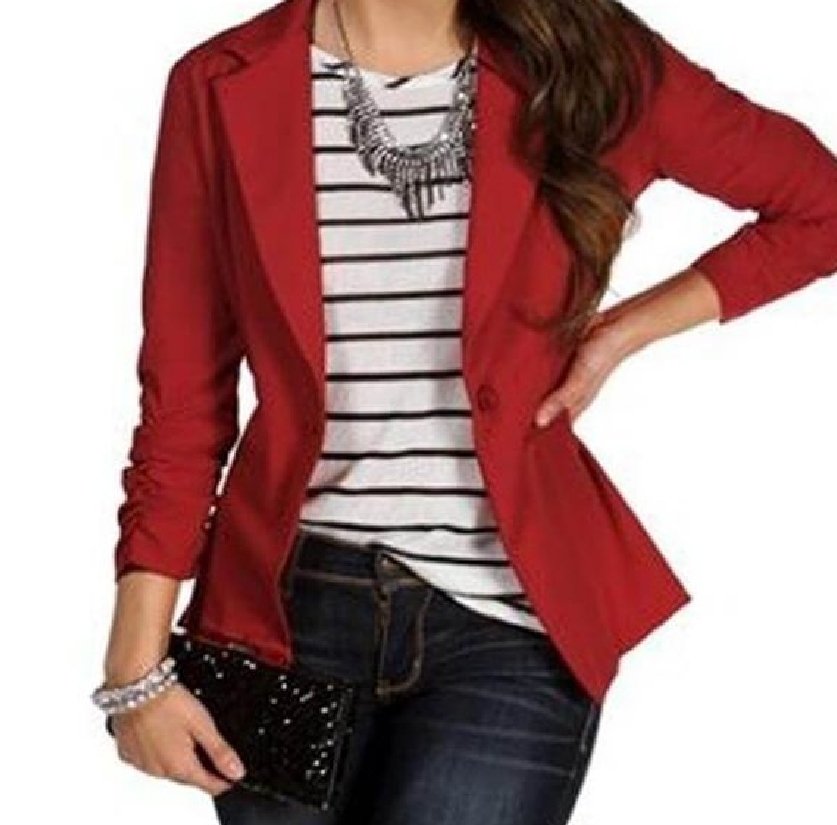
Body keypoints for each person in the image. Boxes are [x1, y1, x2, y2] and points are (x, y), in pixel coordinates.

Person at [94, 0, 837, 823]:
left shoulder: (593, 59)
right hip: (286, 615)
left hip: (504, 618)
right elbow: (183, 394)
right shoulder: (222, 82)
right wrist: (136, 667)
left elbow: (820, 204)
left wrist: (622, 330)